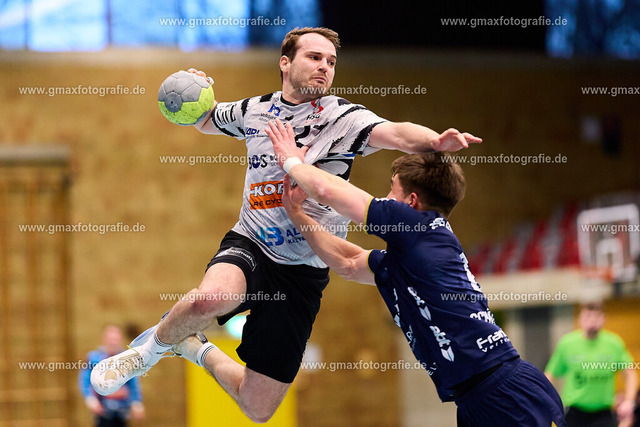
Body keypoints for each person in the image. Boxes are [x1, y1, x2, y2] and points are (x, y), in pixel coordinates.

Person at [91, 26, 481, 423]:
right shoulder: (254, 110)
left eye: (331, 61)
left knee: (258, 407)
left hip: (304, 271)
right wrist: (196, 93)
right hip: (252, 242)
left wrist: (434, 141)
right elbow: (206, 119)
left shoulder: (344, 117)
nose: (324, 67)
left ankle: (194, 347)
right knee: (209, 299)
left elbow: (396, 132)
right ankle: (144, 355)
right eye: (314, 57)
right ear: (285, 63)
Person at [263, 119, 567, 426]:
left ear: (411, 202)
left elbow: (326, 189)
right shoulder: (412, 254)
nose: (385, 199)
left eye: (391, 191)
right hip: (474, 399)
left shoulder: (417, 227)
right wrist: (297, 213)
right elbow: (349, 263)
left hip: (505, 393)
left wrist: (291, 161)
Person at [545, 302, 638, 427]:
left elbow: (631, 373)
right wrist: (548, 402)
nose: (592, 321)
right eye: (588, 316)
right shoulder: (567, 344)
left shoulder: (614, 343)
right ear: (580, 319)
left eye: (596, 316)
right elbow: (549, 375)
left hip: (603, 413)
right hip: (574, 411)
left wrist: (629, 401)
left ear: (603, 318)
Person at [79, 325, 144, 427]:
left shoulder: (128, 359)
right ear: (104, 339)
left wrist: (136, 402)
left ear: (120, 340)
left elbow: (133, 383)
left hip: (122, 411)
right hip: (103, 409)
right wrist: (90, 399)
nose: (113, 342)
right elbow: (85, 380)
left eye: (115, 339)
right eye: (110, 339)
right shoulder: (93, 358)